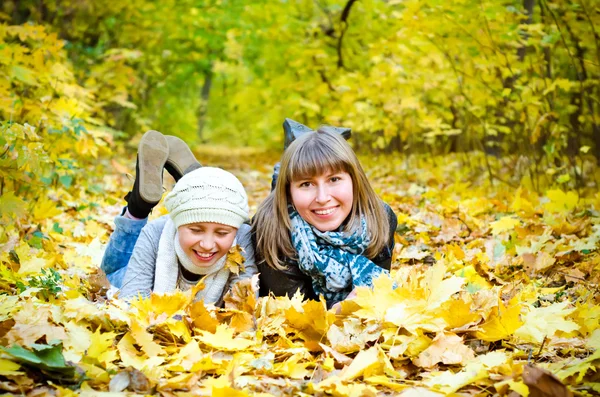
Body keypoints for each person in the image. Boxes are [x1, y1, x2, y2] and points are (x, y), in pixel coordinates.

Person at [101, 130, 256, 305]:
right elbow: (131, 303)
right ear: (177, 223)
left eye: (221, 233)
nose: (207, 244)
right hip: (142, 276)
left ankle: (196, 187)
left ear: (235, 230)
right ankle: (138, 207)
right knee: (111, 275)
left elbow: (243, 315)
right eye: (196, 230)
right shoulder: (157, 231)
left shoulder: (243, 236)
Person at [252, 125, 397, 308]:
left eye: (334, 179)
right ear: (289, 190)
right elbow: (293, 316)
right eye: (306, 184)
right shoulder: (271, 228)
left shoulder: (379, 217)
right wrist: (340, 311)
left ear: (354, 179)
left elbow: (380, 291)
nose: (322, 198)